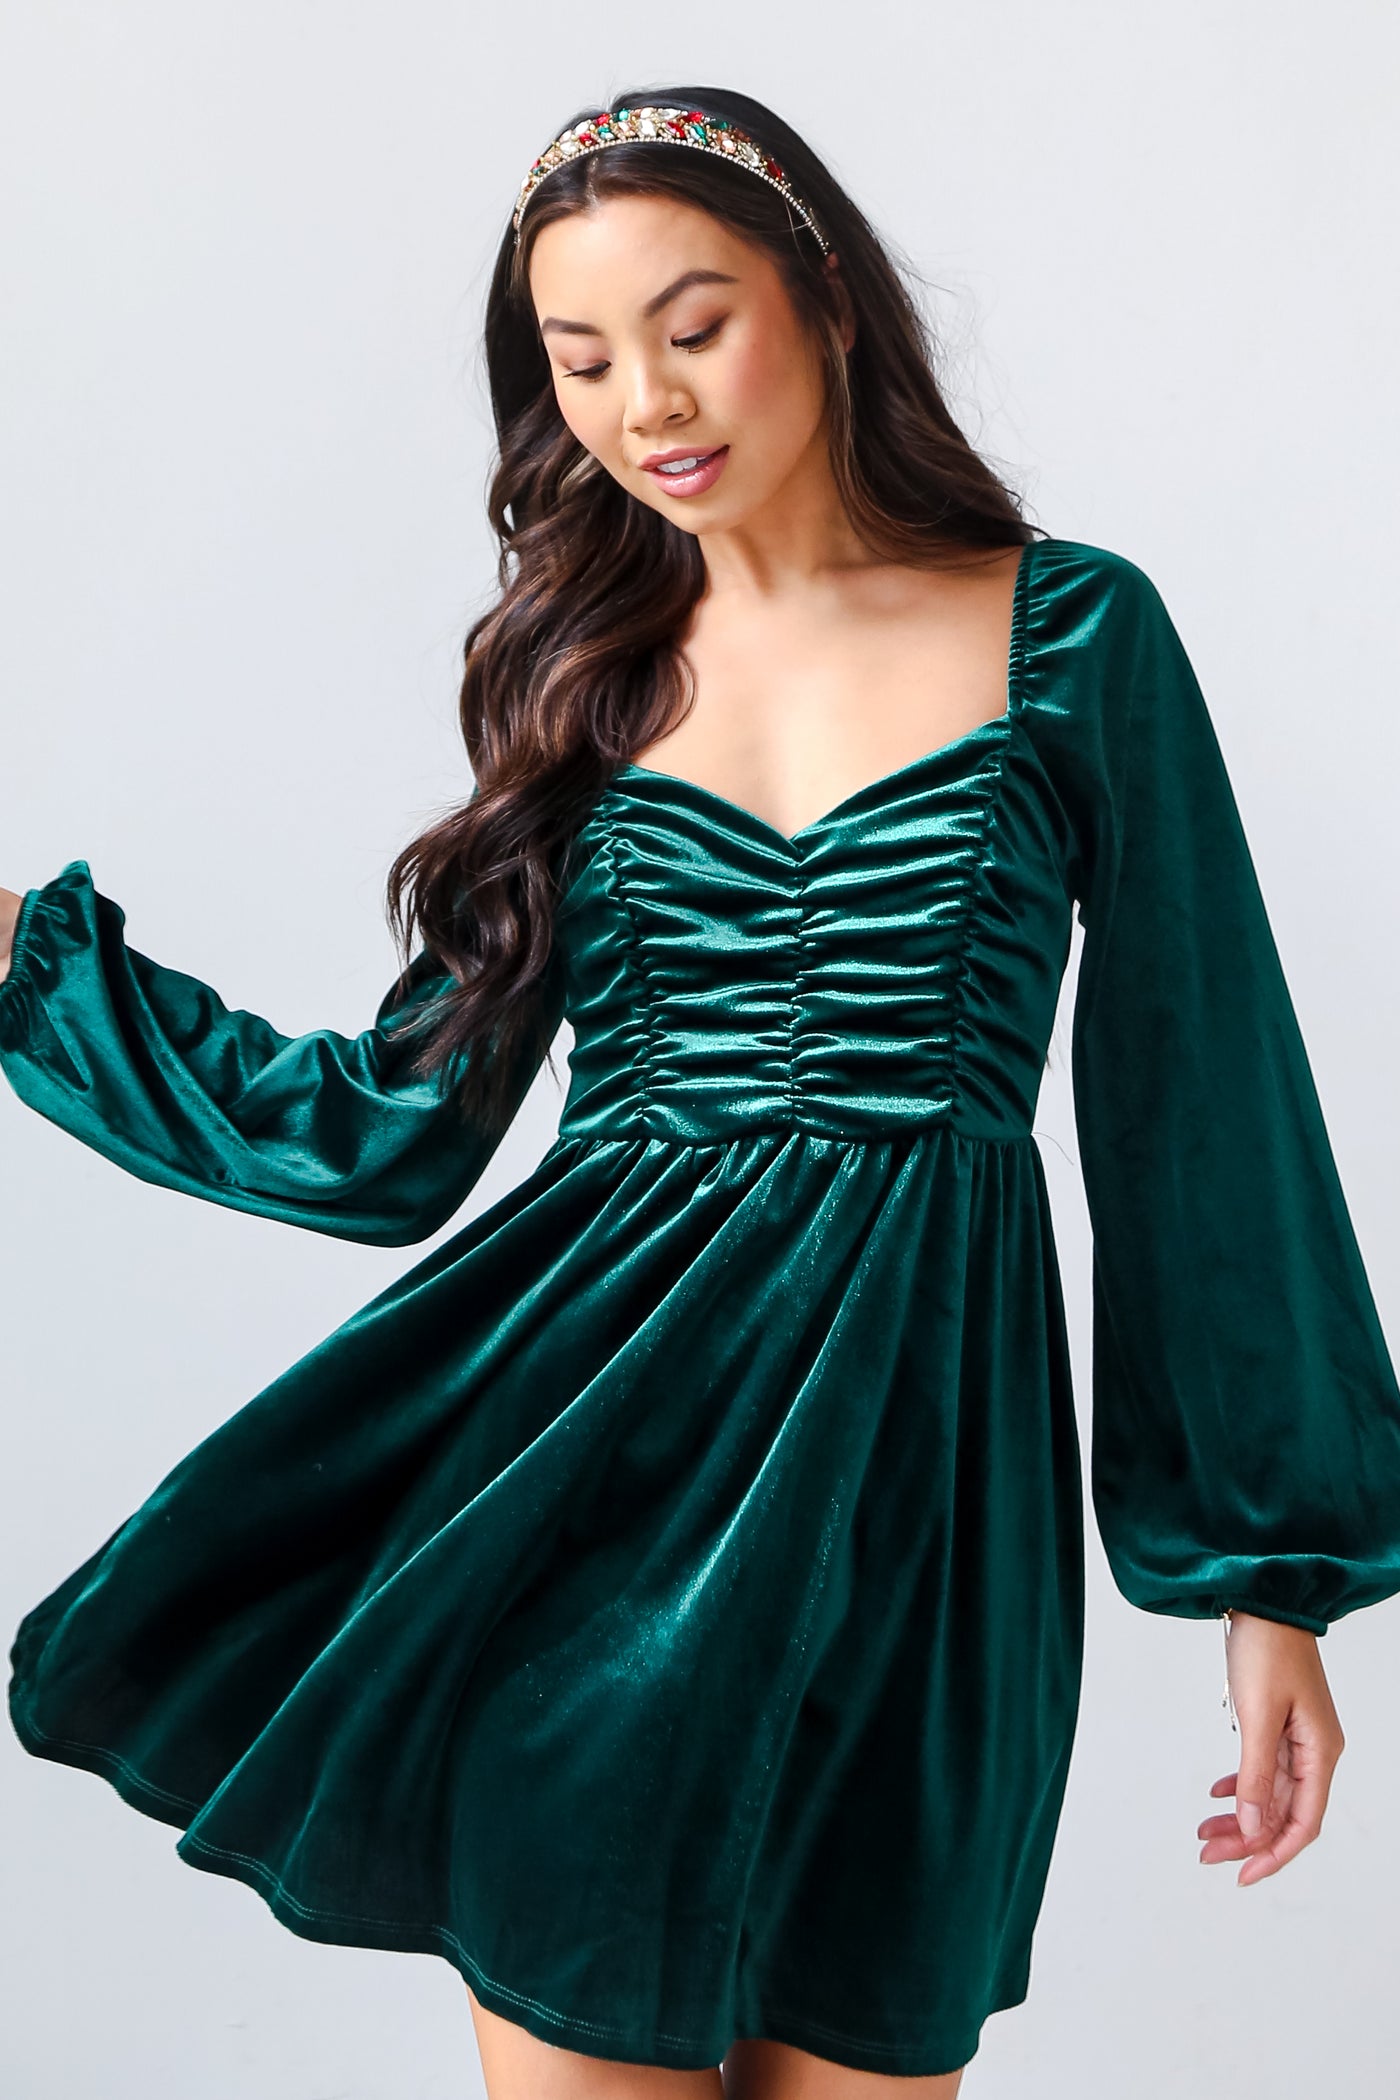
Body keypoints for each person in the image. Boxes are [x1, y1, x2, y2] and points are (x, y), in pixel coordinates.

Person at [2, 81, 1398, 2100]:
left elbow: (1209, 1112)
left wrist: (1273, 1588)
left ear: (820, 295)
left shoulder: (1077, 633)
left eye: (690, 325)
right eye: (579, 359)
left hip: (933, 1533)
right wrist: (35, 977)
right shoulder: (578, 676)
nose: (643, 402)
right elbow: (388, 1135)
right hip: (590, 1502)